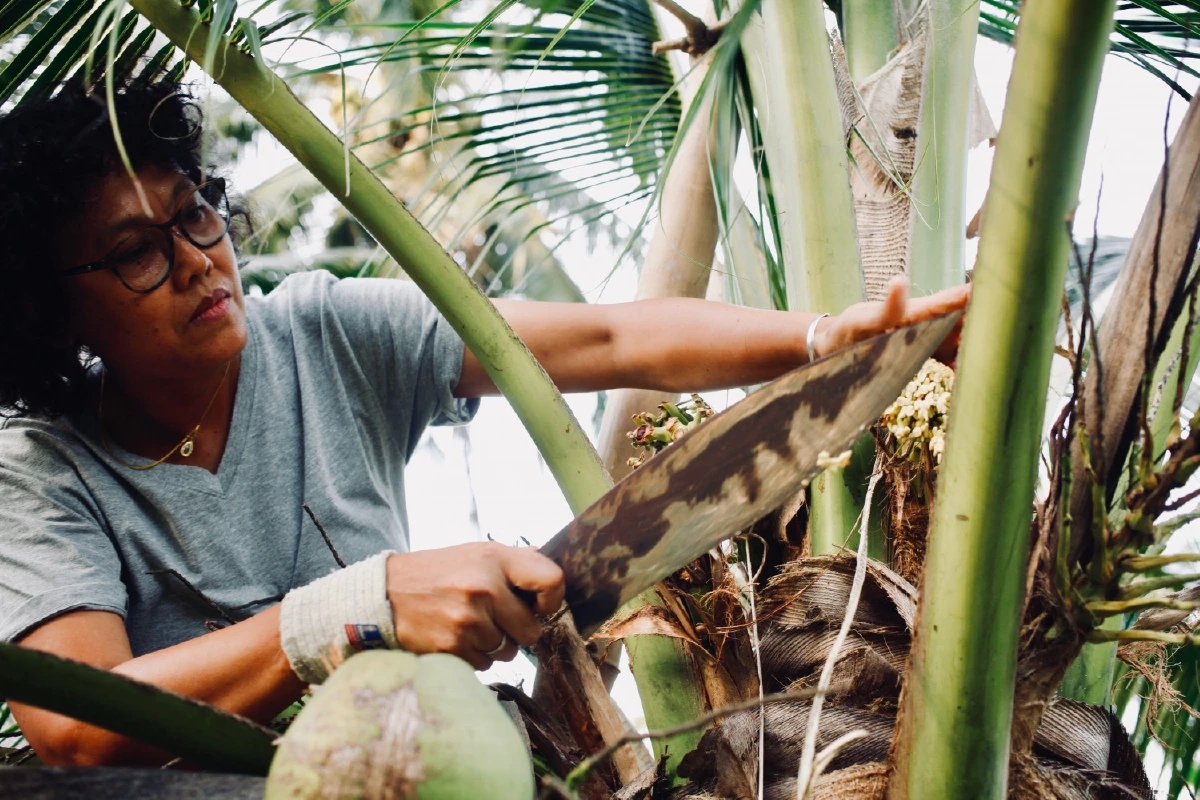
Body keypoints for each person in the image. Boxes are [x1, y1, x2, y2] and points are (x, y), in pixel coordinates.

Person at [0, 80, 969, 767]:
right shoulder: (39, 469)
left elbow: (603, 337)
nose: (197, 260)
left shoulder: (321, 332)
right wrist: (356, 609)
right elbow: (72, 723)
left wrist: (818, 336)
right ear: (55, 308)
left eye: (195, 214)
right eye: (135, 251)